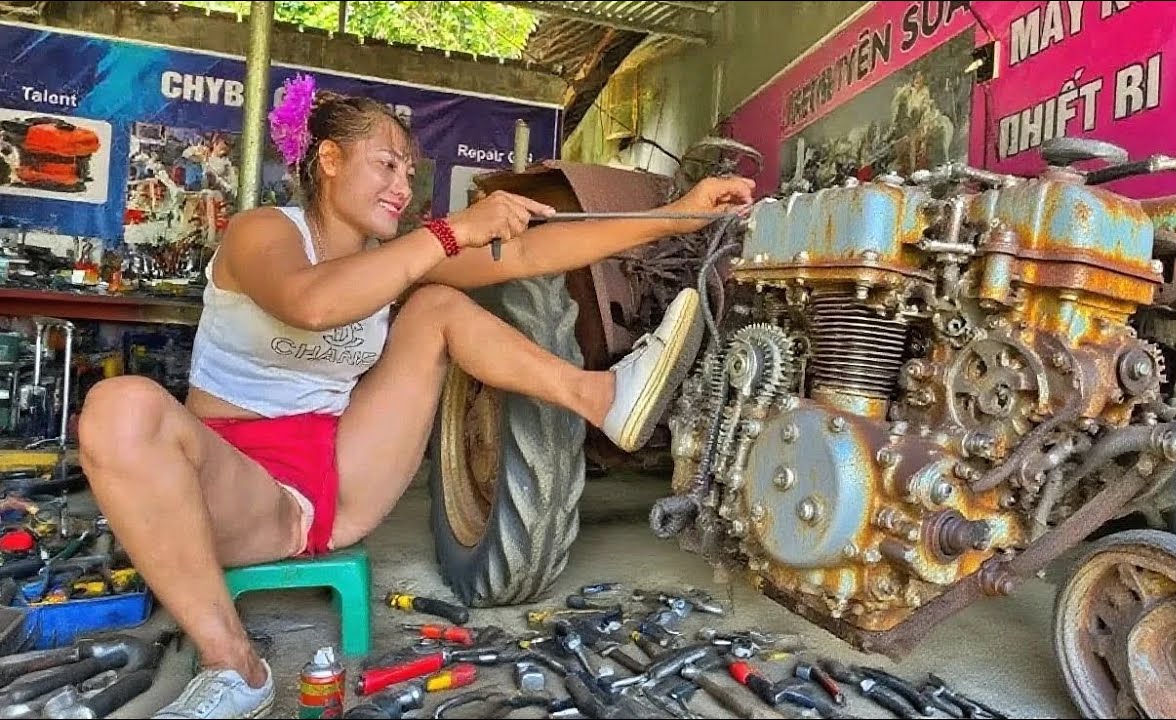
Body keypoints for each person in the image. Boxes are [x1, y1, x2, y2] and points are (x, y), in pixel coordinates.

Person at [76, 75, 754, 719]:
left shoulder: (398, 255)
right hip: (230, 488)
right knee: (119, 407)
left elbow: (526, 258)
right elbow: (310, 304)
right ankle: (236, 668)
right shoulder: (267, 231)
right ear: (331, 160)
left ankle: (600, 395)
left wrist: (674, 218)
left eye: (409, 171)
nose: (404, 186)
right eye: (387, 165)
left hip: (335, 483)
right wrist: (451, 231)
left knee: (435, 305)